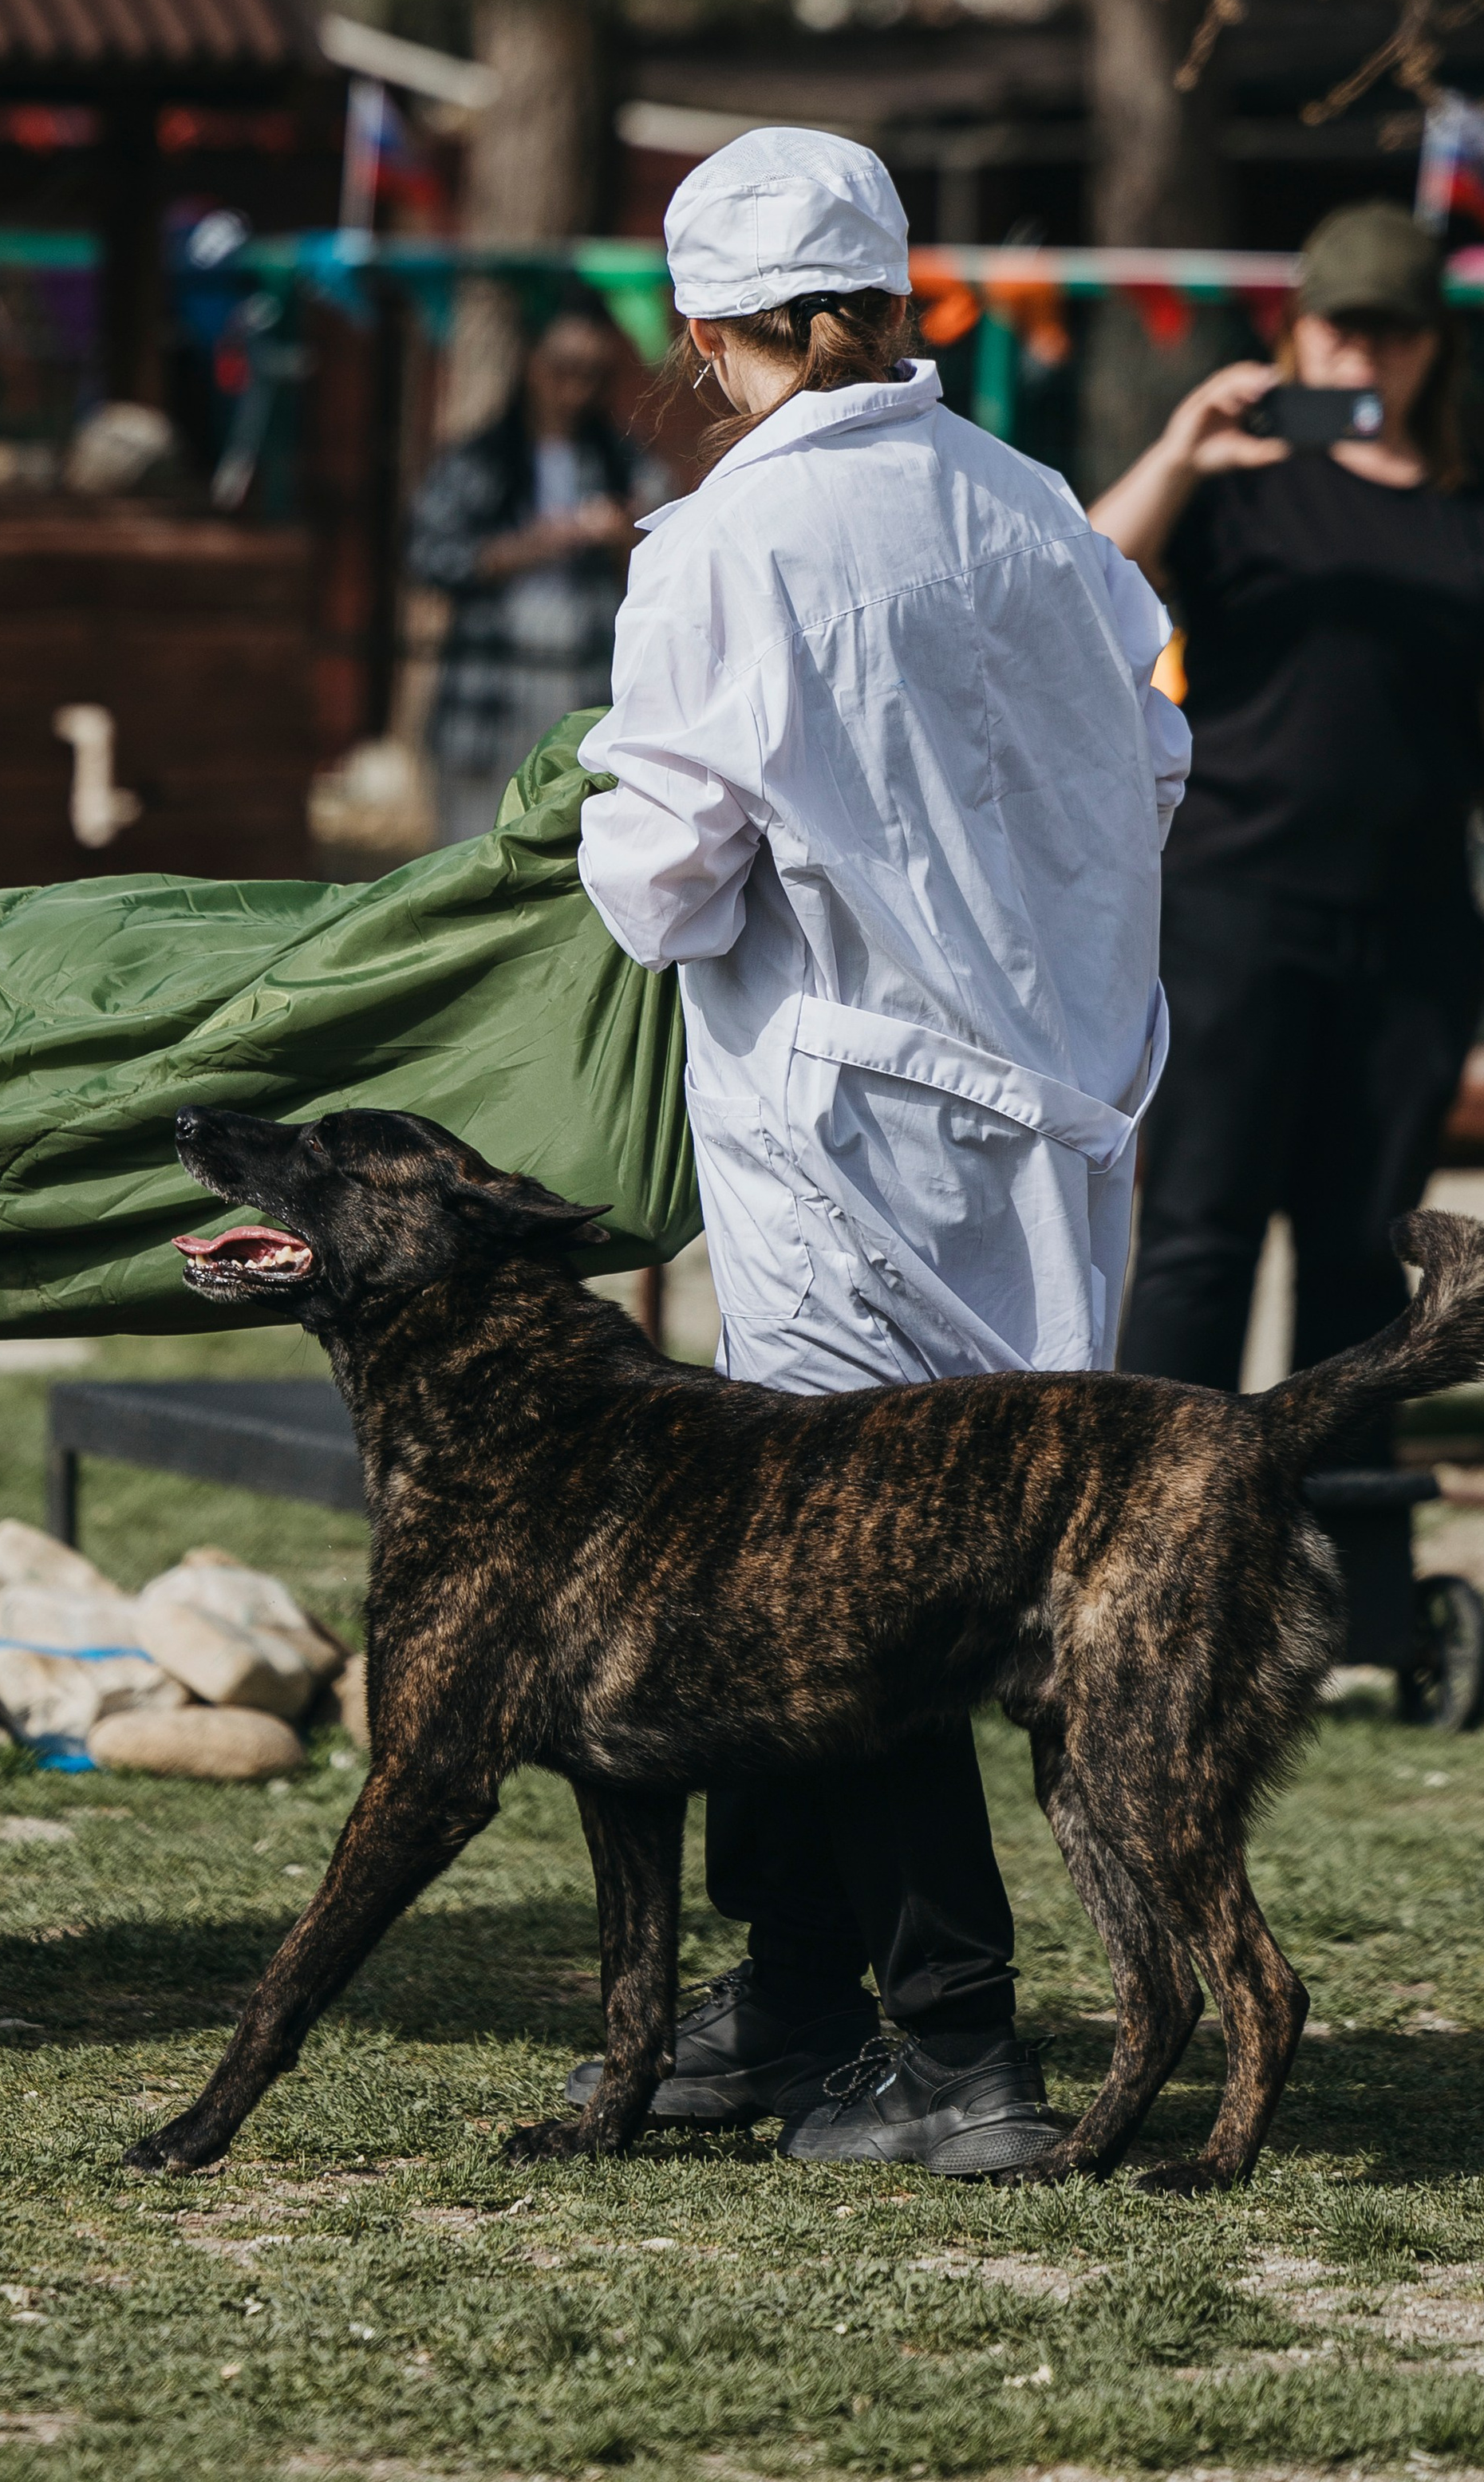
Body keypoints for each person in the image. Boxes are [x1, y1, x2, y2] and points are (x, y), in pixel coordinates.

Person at [569, 125, 1190, 2172]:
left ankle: (956, 2057)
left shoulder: (716, 549)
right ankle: (793, 2002)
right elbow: (1156, 749)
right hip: (1056, 1115)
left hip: (839, 1126)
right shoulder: (1029, 509)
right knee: (869, 1560)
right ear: (893, 292)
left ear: (706, 332)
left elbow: (656, 881)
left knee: (852, 1586)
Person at [1095, 201, 1484, 1426]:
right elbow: (1078, 581)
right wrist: (1179, 451)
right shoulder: (1239, 484)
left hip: (1413, 931)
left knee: (1359, 1262)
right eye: (1343, 329)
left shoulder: (1478, 515)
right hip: (1237, 909)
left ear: (1436, 346)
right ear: (1297, 332)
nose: (1367, 357)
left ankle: (1348, 1576)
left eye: (1396, 331)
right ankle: (1148, 1549)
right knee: (1200, 1238)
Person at [410, 299, 660, 847]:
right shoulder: (478, 460)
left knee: (565, 847)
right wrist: (532, 547)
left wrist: (625, 539)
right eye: (562, 368)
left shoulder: (625, 463)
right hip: (490, 686)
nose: (576, 388)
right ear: (530, 364)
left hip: (584, 685)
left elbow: (676, 563)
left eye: (593, 374)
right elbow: (428, 558)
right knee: (473, 845)